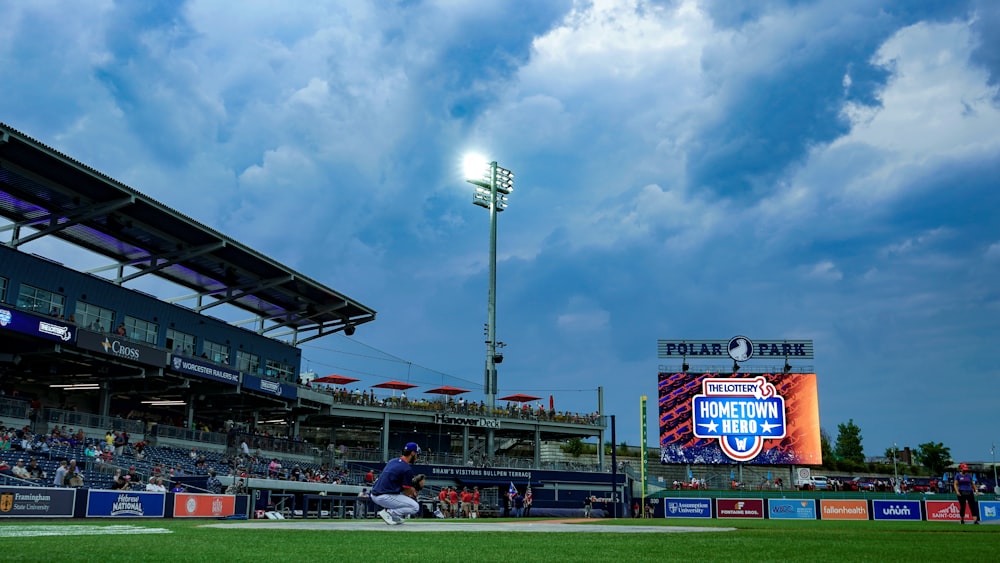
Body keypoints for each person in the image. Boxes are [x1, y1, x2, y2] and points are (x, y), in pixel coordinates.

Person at [370, 442, 422, 525]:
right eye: (416, 454)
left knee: (400, 499)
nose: (416, 457)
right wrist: (415, 487)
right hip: (384, 496)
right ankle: (390, 513)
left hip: (375, 494)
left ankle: (394, 517)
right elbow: (407, 492)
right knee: (415, 507)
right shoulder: (406, 468)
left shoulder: (393, 461)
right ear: (412, 453)